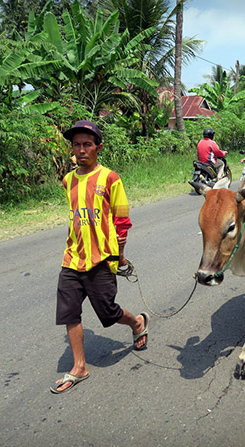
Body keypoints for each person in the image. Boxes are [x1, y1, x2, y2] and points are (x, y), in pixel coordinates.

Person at [51, 120, 149, 394]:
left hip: (102, 259)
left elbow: (121, 221)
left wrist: (120, 257)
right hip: (72, 259)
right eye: (76, 145)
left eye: (87, 144)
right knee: (69, 312)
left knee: (107, 312)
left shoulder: (110, 178)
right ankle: (79, 367)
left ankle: (137, 322)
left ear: (98, 148)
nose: (81, 150)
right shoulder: (68, 179)